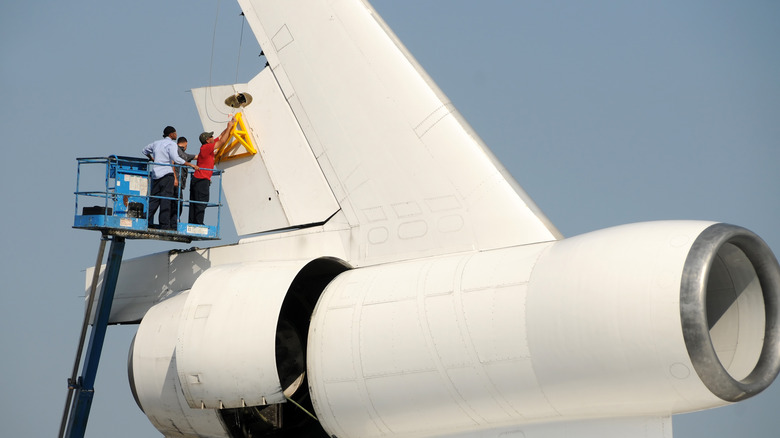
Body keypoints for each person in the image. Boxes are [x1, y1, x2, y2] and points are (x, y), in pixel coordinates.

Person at [143, 126, 198, 230]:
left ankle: (144, 221)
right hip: (167, 176)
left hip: (156, 175)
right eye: (175, 133)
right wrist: (191, 165)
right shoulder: (171, 144)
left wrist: (151, 158)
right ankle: (165, 225)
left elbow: (144, 150)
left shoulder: (156, 143)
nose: (176, 135)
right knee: (166, 201)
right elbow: (176, 158)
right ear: (171, 134)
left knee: (154, 200)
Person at [189, 117, 236, 225]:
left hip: (199, 179)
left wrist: (229, 125)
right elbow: (222, 141)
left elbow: (220, 136)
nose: (213, 137)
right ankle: (198, 223)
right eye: (211, 136)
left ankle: (194, 222)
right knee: (202, 201)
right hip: (201, 179)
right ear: (207, 140)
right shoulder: (206, 148)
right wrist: (229, 128)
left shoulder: (207, 146)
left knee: (196, 201)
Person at [173, 136, 197, 226]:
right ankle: (173, 223)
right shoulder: (179, 152)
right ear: (185, 144)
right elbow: (187, 157)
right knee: (177, 204)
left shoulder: (178, 151)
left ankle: (173, 222)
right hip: (176, 182)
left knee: (175, 203)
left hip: (176, 182)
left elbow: (194, 157)